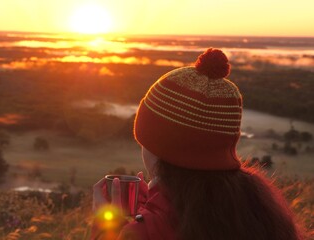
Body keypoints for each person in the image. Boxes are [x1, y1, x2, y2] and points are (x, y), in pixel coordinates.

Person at [91, 48, 303, 240]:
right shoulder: (257, 210)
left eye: (143, 141)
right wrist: (156, 203)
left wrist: (106, 229)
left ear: (157, 149)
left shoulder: (143, 233)